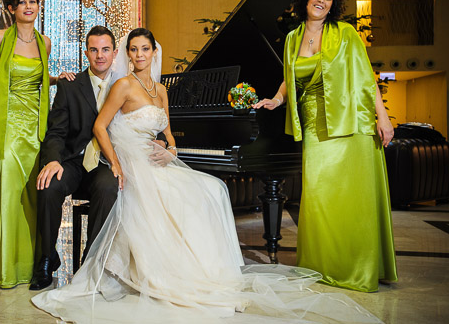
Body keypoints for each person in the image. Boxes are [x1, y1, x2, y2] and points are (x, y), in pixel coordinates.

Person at [31, 28, 383, 323]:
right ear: (127, 53)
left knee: (213, 188)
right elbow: (100, 126)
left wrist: (170, 150)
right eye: (133, 49)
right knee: (177, 195)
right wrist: (119, 164)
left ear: (154, 52)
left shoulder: (161, 90)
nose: (139, 54)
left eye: (145, 49)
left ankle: (211, 274)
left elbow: (169, 137)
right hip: (129, 161)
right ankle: (154, 272)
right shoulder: (122, 85)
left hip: (154, 159)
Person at [253, 0, 398, 292]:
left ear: (333, 5)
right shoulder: (293, 38)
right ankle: (322, 265)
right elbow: (289, 77)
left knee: (353, 197)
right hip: (314, 124)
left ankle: (358, 268)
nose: (322, 1)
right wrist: (276, 100)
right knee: (320, 196)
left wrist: (383, 117)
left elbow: (366, 77)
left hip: (351, 122)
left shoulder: (345, 33)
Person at [0, 0, 75, 289]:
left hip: (35, 130)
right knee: (8, 196)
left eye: (33, 1)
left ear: (39, 5)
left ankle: (32, 265)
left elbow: (37, 78)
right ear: (11, 8)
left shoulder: (45, 42)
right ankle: (5, 268)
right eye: (22, 2)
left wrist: (57, 79)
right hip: (6, 128)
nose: (29, 6)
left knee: (31, 197)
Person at [30, 25, 124, 291]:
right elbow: (56, 131)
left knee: (108, 186)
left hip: (103, 163)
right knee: (48, 184)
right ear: (86, 53)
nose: (100, 55)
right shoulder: (69, 85)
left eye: (105, 49)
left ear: (115, 53)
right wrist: (52, 160)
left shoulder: (123, 86)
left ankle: (90, 263)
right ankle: (47, 257)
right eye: (94, 50)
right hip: (73, 161)